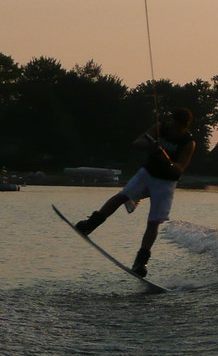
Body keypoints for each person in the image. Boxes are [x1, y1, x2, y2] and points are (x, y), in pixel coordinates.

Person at [76, 108, 196, 277]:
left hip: (166, 182)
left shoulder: (188, 142)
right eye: (174, 126)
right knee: (122, 196)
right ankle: (90, 224)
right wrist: (151, 146)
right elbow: (137, 143)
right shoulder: (160, 128)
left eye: (179, 128)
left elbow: (179, 168)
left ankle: (141, 261)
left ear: (185, 127)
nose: (175, 130)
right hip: (147, 173)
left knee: (154, 221)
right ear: (171, 121)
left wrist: (167, 159)